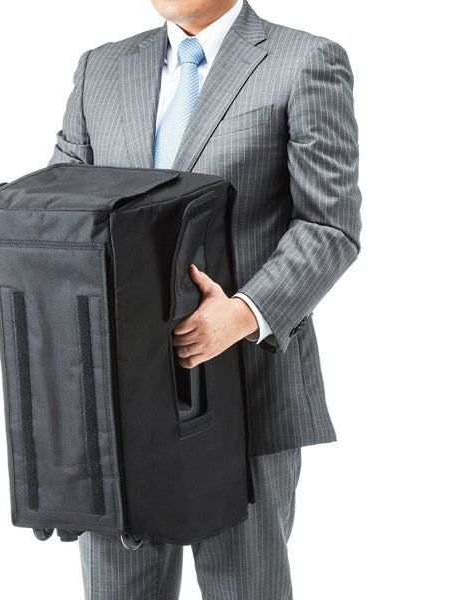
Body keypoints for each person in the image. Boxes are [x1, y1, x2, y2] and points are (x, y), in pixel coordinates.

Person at [49, 0, 361, 597]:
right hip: (117, 399)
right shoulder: (100, 69)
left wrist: (242, 314)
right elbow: (62, 208)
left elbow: (330, 225)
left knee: (246, 586)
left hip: (245, 390)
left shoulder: (304, 61)